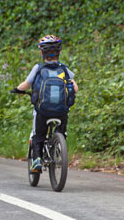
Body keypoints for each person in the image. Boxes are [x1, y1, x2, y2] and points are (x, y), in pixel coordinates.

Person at [12, 35, 78, 173]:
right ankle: (59, 147)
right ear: (59, 52)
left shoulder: (38, 68)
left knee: (38, 135)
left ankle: (36, 160)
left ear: (42, 53)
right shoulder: (64, 69)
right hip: (61, 110)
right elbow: (75, 88)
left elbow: (26, 84)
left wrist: (17, 89)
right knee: (61, 130)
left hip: (42, 110)